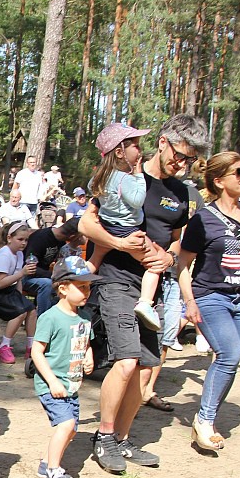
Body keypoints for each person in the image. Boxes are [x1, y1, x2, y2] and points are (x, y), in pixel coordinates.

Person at [79, 114, 208, 473]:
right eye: (181, 154)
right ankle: (103, 437)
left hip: (152, 288)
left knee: (147, 365)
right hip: (116, 278)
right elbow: (86, 223)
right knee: (126, 359)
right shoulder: (122, 174)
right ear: (163, 141)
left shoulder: (183, 193)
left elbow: (178, 245)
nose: (183, 164)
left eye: (191, 159)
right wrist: (120, 242)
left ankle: (122, 438)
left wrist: (168, 259)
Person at [176, 151, 240, 451]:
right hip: (210, 295)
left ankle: (206, 416)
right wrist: (189, 301)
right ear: (219, 180)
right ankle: (205, 420)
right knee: (227, 354)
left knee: (233, 358)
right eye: (238, 172)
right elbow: (184, 264)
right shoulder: (203, 219)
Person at [86, 123, 162, 330]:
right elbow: (137, 200)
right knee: (155, 263)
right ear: (119, 152)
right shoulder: (123, 178)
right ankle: (146, 303)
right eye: (135, 146)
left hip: (107, 226)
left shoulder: (99, 177)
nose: (140, 150)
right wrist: (138, 175)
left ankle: (77, 282)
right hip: (128, 230)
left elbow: (93, 191)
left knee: (95, 258)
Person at [32, 256, 98, 478]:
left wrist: (88, 357)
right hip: (52, 385)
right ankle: (53, 472)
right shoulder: (50, 318)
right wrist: (51, 381)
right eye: (81, 287)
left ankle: (45, 463)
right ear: (62, 288)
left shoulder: (85, 317)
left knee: (71, 430)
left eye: (88, 286)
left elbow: (86, 342)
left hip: (72, 384)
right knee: (67, 424)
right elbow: (37, 352)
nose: (87, 291)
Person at [0, 221, 38, 364]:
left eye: (26, 240)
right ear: (9, 238)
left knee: (31, 310)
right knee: (19, 311)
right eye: (20, 239)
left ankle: (31, 345)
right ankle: (4, 345)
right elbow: (0, 282)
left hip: (9, 291)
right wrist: (22, 272)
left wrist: (20, 297)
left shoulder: (19, 254)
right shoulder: (4, 255)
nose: (23, 243)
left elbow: (18, 279)